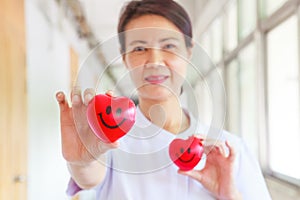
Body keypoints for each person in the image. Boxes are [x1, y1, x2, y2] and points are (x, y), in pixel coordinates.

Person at [56, 0, 271, 199]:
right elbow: (89, 172)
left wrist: (231, 194)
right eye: (139, 48)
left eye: (169, 46)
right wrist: (81, 162)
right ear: (124, 58)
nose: (155, 61)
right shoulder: (108, 143)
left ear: (188, 52)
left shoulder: (229, 151)